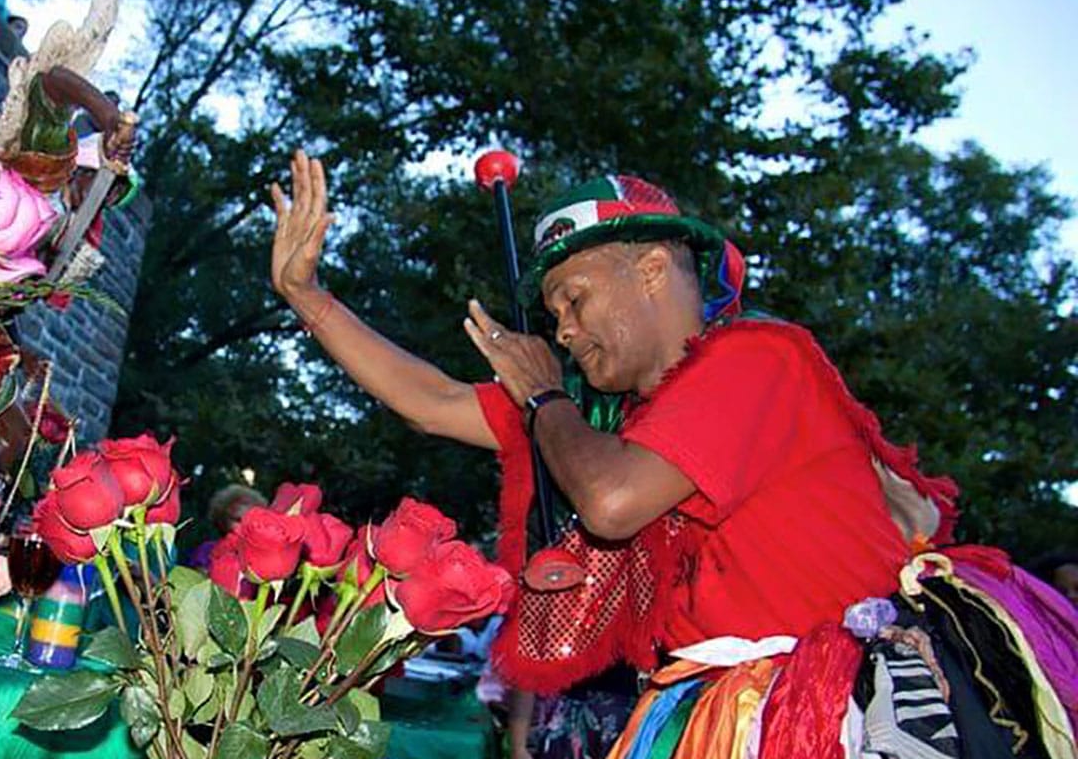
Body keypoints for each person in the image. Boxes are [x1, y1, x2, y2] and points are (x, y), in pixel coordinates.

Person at [269, 150, 1078, 756]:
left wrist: (545, 396)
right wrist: (309, 295)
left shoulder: (758, 359)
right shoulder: (602, 420)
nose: (564, 331)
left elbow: (613, 501)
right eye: (553, 314)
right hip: (720, 705)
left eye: (576, 300)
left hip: (851, 713)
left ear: (652, 269)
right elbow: (433, 402)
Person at [184, 484, 267, 571]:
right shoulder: (206, 552)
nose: (244, 526)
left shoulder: (264, 557)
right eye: (237, 520)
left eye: (251, 521)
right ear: (222, 519)